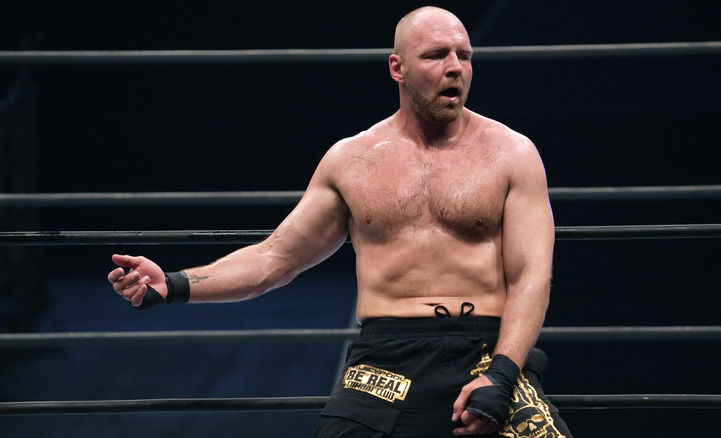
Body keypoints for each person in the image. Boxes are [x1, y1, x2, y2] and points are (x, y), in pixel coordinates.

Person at [108, 6, 571, 438]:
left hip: (487, 349)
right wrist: (173, 283)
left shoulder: (512, 153)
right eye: (435, 55)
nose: (456, 67)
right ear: (398, 68)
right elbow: (274, 260)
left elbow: (532, 274)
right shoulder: (351, 161)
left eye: (464, 56)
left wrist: (504, 372)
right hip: (386, 358)